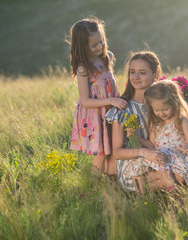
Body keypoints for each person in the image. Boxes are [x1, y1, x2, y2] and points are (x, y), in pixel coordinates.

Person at [105, 51, 176, 193]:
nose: (135, 77)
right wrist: (145, 153)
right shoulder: (122, 109)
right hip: (133, 172)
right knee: (177, 176)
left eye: (142, 73)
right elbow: (117, 152)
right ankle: (173, 205)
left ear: (155, 75)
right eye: (132, 72)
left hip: (161, 161)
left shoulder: (162, 106)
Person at [68, 16, 127, 174]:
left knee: (113, 148)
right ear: (82, 47)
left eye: (101, 41)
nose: (99, 46)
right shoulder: (83, 68)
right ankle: (94, 183)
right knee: (101, 153)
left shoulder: (105, 59)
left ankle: (109, 179)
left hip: (110, 111)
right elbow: (86, 101)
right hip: (95, 115)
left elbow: (112, 87)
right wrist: (111, 101)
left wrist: (121, 100)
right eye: (93, 45)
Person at [142, 80, 188, 192]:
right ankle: (173, 192)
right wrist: (137, 138)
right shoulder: (155, 123)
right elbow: (152, 144)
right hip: (165, 160)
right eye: (157, 110)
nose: (161, 114)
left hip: (179, 157)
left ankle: (186, 193)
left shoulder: (180, 120)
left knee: (183, 175)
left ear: (174, 103)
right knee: (163, 171)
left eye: (165, 109)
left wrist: (187, 147)